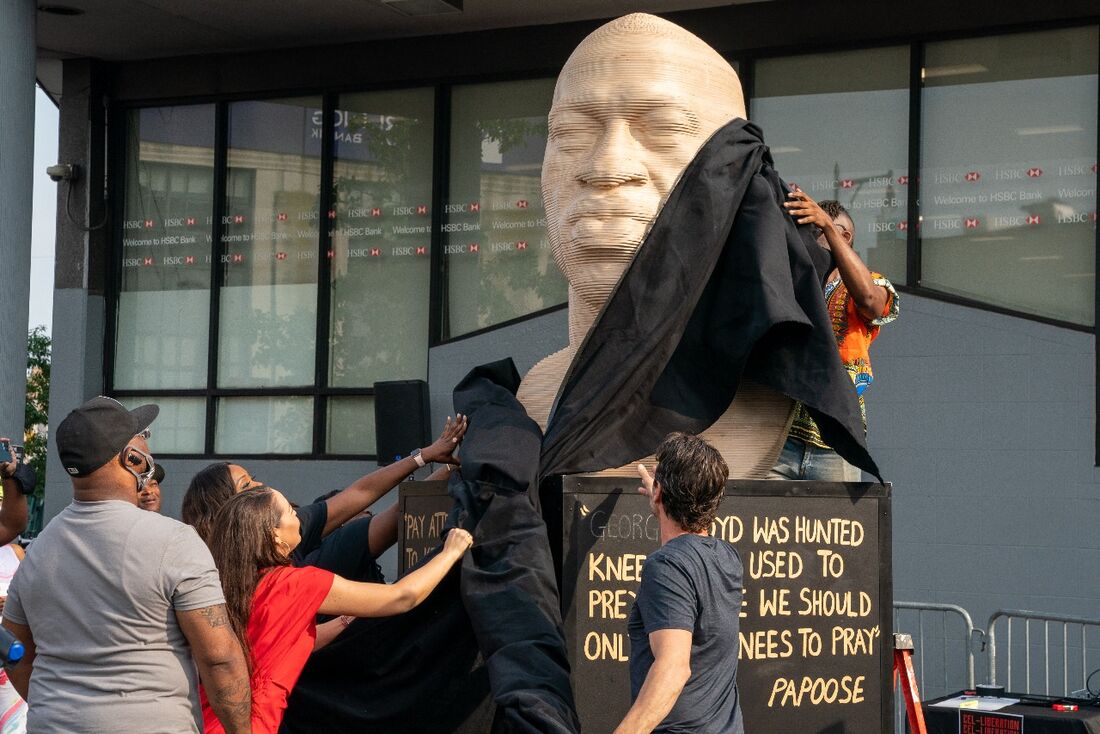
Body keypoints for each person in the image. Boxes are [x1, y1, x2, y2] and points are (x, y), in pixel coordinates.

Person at [1, 397, 251, 734]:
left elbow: (16, 655)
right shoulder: (174, 541)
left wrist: (64, 710)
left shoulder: (37, 551)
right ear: (131, 459)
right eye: (142, 440)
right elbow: (219, 657)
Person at [201, 486, 473, 734]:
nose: (298, 515)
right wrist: (450, 552)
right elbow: (403, 596)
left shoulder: (230, 583)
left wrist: (349, 615)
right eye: (290, 511)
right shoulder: (296, 583)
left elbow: (289, 643)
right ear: (274, 534)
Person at [181, 414, 466, 557]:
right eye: (247, 485)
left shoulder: (293, 532)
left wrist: (426, 457)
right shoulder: (210, 577)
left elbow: (360, 493)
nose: (261, 485)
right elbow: (398, 596)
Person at [615, 433, 743, 734]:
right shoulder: (728, 558)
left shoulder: (667, 566)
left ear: (660, 493)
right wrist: (660, 495)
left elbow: (673, 669)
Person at [769, 193, 899, 481]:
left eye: (816, 230)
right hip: (777, 440)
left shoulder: (872, 281)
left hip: (835, 445)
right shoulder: (789, 281)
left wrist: (827, 225)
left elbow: (870, 301)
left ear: (845, 236)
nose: (809, 238)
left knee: (837, 524)